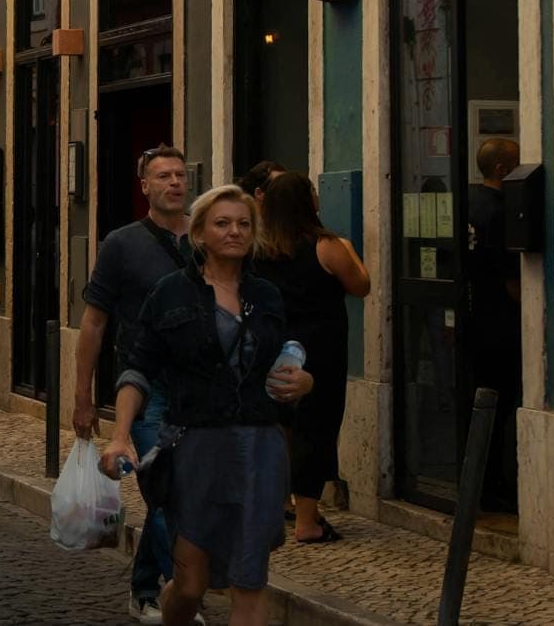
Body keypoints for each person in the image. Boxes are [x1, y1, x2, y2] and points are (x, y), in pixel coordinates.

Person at [101, 185, 314, 626]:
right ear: (199, 234)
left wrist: (304, 380)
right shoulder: (170, 294)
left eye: (243, 224)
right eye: (222, 223)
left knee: (250, 581)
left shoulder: (268, 296)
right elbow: (137, 370)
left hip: (260, 447)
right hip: (195, 446)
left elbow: (286, 357)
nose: (234, 231)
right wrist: (120, 436)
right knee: (192, 583)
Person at [74, 144, 193, 623]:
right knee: (165, 495)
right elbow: (94, 323)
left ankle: (144, 590)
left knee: (176, 496)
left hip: (197, 393)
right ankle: (181, 596)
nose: (174, 183)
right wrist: (83, 397)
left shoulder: (204, 239)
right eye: (163, 176)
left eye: (180, 175)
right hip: (144, 393)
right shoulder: (120, 244)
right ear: (144, 185)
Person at [250, 171, 371, 543]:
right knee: (316, 429)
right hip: (321, 351)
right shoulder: (327, 246)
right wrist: (348, 248)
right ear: (309, 202)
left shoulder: (258, 248)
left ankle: (284, 502)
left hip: (274, 347)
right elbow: (361, 284)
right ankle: (307, 520)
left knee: (283, 425)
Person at [466, 136, 523, 511]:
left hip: (473, 316)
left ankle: (479, 483)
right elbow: (511, 278)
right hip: (500, 321)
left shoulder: (468, 202)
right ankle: (491, 486)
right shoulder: (502, 211)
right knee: (499, 408)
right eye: (518, 162)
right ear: (502, 169)